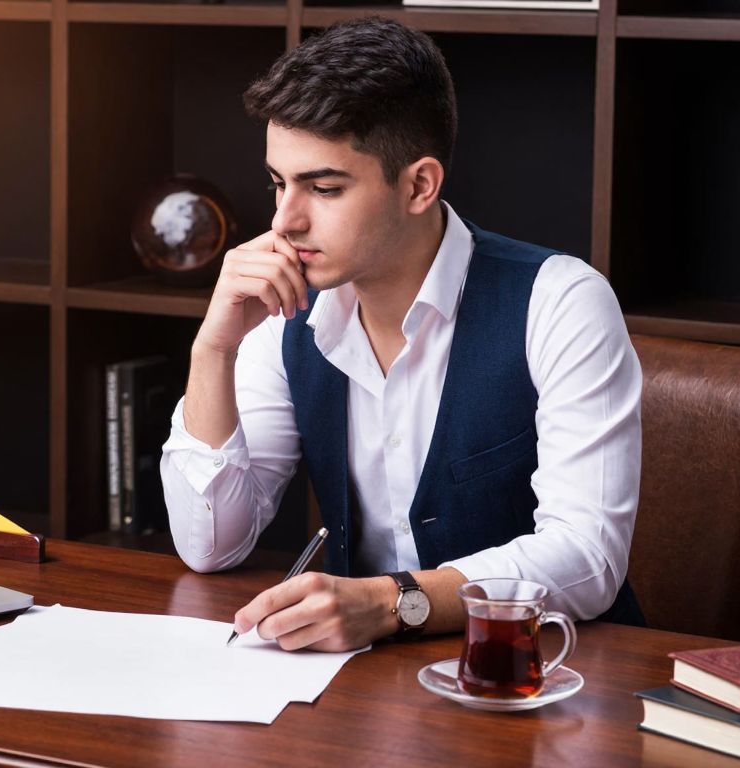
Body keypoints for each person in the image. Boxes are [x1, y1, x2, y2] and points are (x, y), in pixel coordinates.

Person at [159, 17, 643, 653]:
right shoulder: (286, 317)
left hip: (549, 681)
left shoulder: (562, 303)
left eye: (323, 187)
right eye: (279, 182)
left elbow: (587, 560)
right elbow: (210, 546)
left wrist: (392, 602)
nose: (284, 220)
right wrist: (213, 350)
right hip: (374, 690)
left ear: (419, 185)